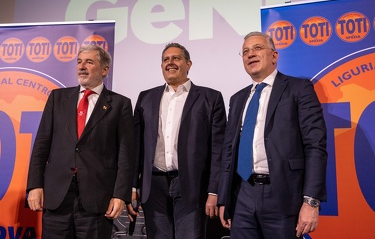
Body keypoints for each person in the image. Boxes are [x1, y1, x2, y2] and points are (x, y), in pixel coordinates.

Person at [218, 31, 328, 238]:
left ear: (274, 56)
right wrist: (225, 198)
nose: (250, 54)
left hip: (283, 195)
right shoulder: (237, 98)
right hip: (242, 195)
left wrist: (311, 201)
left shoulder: (298, 88)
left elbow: (315, 145)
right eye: (245, 52)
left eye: (257, 48)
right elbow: (228, 152)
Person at [26, 45, 136, 239]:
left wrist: (120, 195)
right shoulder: (57, 98)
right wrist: (35, 186)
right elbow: (41, 145)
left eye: (89, 62)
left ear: (104, 69)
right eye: (79, 62)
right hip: (57, 197)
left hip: (97, 200)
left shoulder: (120, 104)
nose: (82, 66)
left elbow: (126, 155)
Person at [131, 43, 227, 239]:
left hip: (192, 186)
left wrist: (214, 191)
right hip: (154, 187)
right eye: (165, 60)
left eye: (176, 58)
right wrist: (133, 186)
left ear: (188, 64)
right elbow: (136, 147)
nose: (170, 63)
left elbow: (219, 150)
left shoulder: (210, 98)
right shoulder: (145, 98)